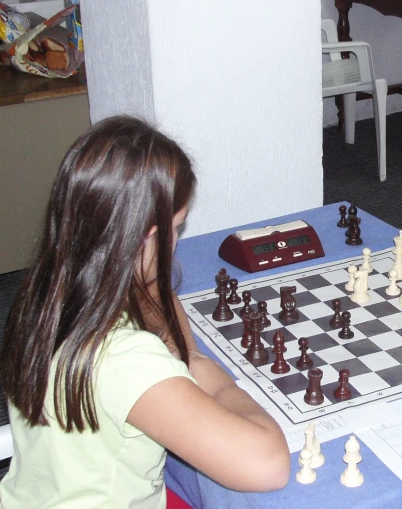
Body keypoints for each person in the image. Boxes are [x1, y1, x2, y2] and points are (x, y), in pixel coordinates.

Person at [0, 116, 290, 508]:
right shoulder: (126, 359)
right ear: (148, 236)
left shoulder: (49, 292)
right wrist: (211, 377)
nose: (176, 246)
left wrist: (149, 276)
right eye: (177, 228)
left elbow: (156, 293)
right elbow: (268, 466)